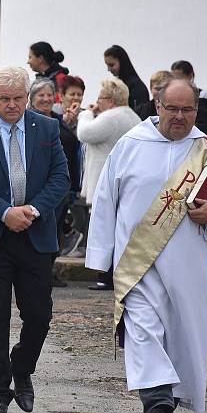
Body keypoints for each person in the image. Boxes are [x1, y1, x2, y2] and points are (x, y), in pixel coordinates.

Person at [85, 78, 207, 413]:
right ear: (157, 107)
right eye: (172, 108)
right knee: (142, 327)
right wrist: (100, 256)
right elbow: (106, 200)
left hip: (187, 264)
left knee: (180, 331)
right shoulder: (130, 145)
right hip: (136, 262)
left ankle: (169, 400)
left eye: (187, 109)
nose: (179, 116)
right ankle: (156, 401)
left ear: (196, 110)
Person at [0, 67, 70, 413]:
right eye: (4, 99)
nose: (11, 105)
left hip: (35, 235)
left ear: (27, 96)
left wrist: (33, 210)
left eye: (18, 98)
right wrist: (5, 212)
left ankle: (21, 366)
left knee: (38, 315)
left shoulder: (47, 129)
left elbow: (61, 177)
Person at [77, 78, 141, 291]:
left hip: (106, 181)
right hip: (125, 182)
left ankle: (105, 276)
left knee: (104, 229)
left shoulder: (112, 117)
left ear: (111, 100)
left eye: (100, 98)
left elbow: (84, 133)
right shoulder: (132, 116)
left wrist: (85, 113)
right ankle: (114, 275)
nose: (97, 103)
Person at [29, 78, 80, 287]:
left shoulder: (59, 120)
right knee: (43, 229)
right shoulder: (29, 121)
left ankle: (47, 270)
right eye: (41, 95)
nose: (46, 99)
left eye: (50, 95)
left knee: (57, 230)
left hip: (64, 185)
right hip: (43, 186)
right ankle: (39, 272)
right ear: (32, 99)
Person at [170, 60, 207, 144]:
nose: (176, 82)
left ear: (190, 76)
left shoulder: (203, 95)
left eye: (179, 78)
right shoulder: (170, 95)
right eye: (173, 78)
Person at [103, 45, 149, 110]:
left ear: (122, 62)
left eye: (111, 65)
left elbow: (139, 115)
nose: (108, 69)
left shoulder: (136, 87)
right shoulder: (120, 84)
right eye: (107, 65)